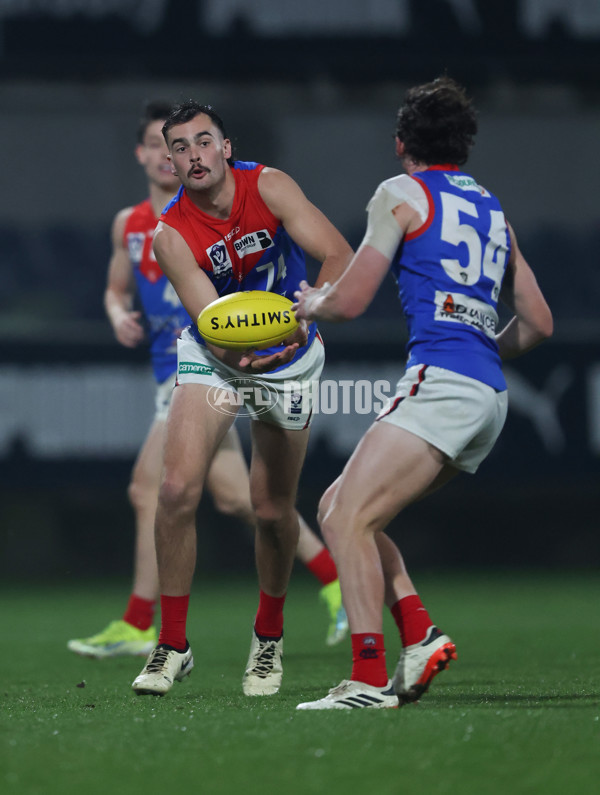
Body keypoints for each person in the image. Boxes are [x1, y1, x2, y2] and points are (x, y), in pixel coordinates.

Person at [292, 76, 553, 709]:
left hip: (442, 381)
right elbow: (540, 323)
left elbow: (351, 301)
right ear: (462, 143)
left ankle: (367, 677)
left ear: (402, 141)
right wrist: (485, 347)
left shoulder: (401, 193)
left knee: (346, 519)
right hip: (488, 392)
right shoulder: (492, 208)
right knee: (342, 507)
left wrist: (312, 303)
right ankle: (419, 634)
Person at [67, 101, 348, 663]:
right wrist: (116, 308)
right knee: (197, 494)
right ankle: (159, 633)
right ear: (158, 157)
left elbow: (338, 255)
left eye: (202, 142)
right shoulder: (147, 230)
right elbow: (177, 311)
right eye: (172, 146)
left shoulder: (265, 188)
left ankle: (322, 587)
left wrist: (303, 317)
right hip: (202, 359)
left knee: (244, 504)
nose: (186, 155)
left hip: (269, 356)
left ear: (225, 147)